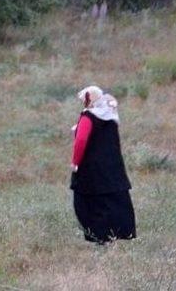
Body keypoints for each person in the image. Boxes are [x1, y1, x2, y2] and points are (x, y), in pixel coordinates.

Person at [70, 85, 136, 244]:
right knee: (114, 201)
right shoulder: (111, 116)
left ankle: (99, 237)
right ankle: (118, 235)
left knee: (88, 203)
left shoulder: (88, 117)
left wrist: (75, 162)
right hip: (113, 167)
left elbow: (81, 140)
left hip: (90, 169)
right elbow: (111, 101)